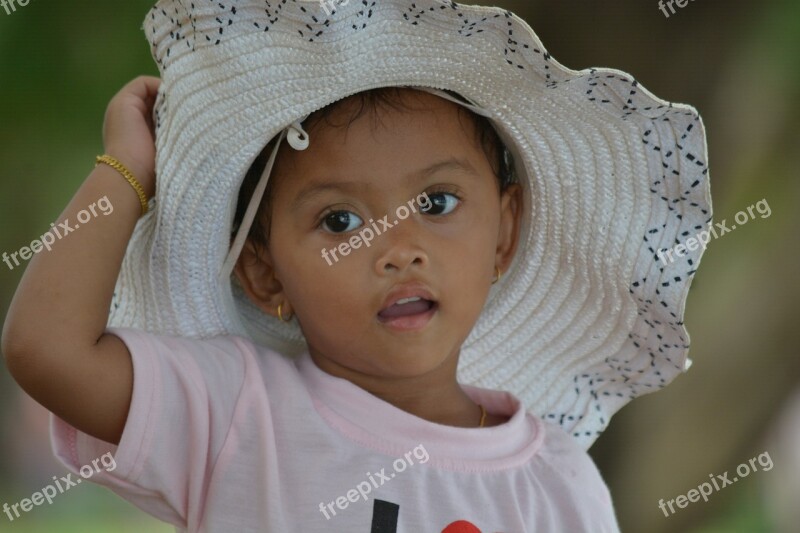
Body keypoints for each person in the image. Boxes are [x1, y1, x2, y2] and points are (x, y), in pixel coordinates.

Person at [2, 1, 712, 531]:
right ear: (265, 275)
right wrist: (126, 169)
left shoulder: (557, 483)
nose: (397, 248)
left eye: (436, 201)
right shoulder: (234, 409)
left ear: (506, 231)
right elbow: (45, 350)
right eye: (340, 221)